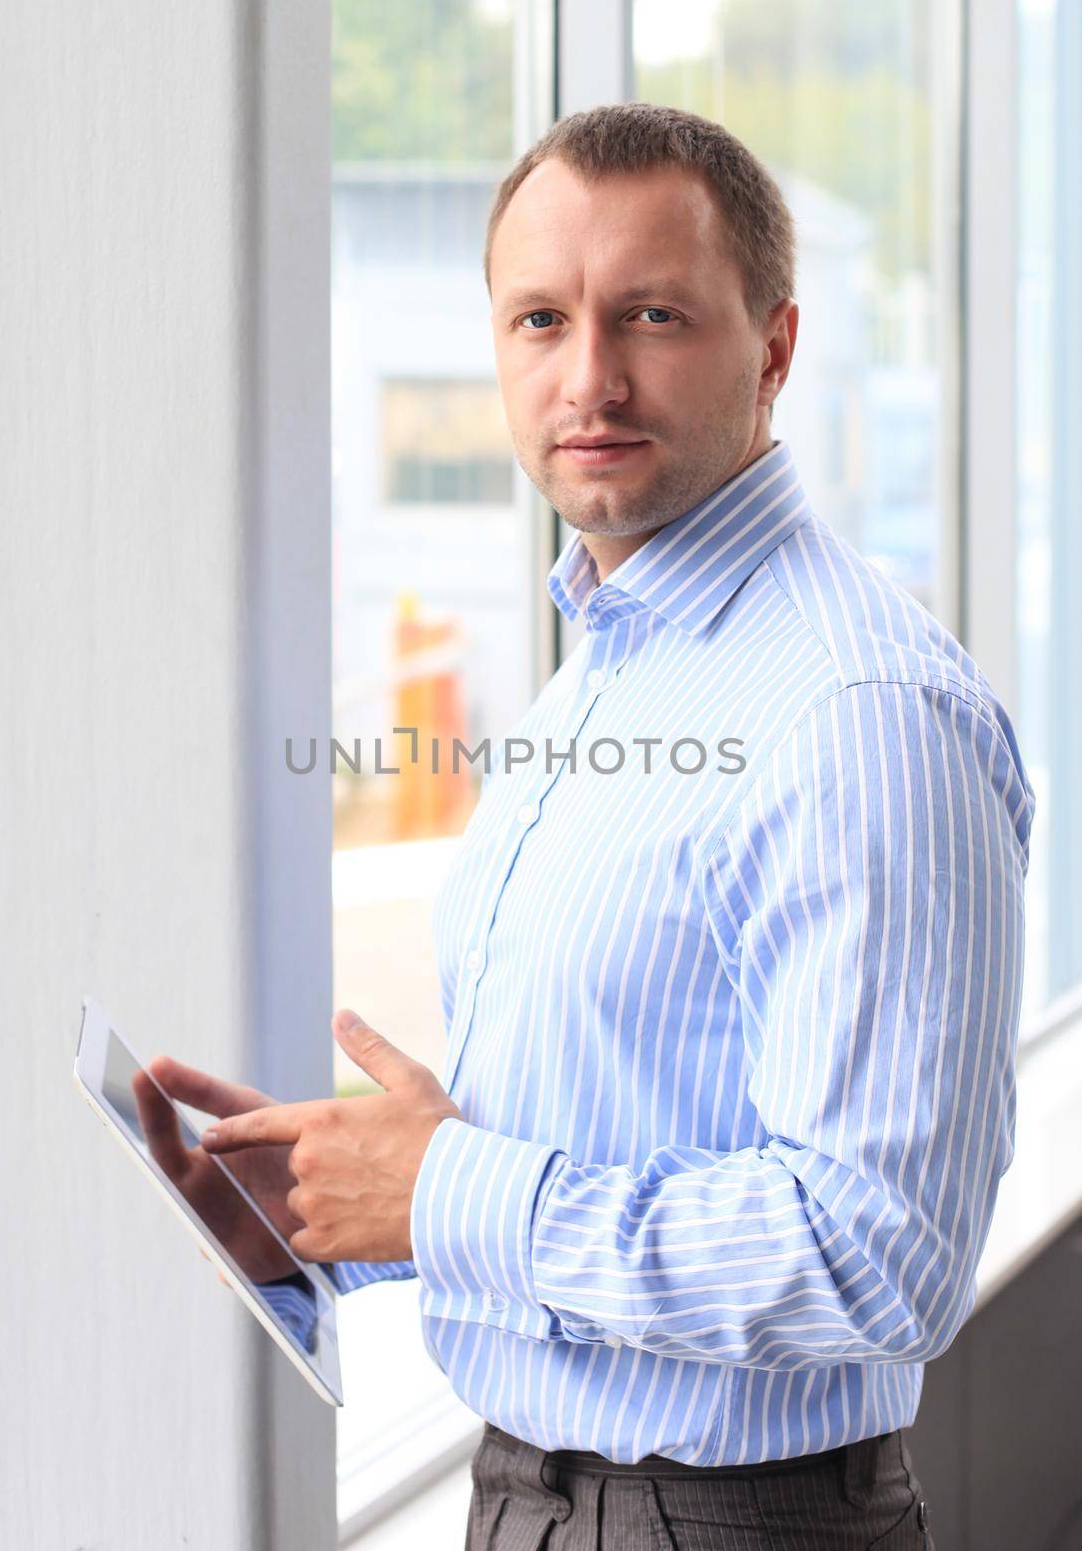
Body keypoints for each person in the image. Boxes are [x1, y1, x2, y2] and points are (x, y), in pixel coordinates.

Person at [151, 103, 1033, 1548]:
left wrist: (449, 1195)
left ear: (776, 351)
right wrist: (350, 1204)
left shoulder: (856, 711)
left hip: (729, 1524)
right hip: (531, 1494)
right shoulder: (603, 670)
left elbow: (884, 1258)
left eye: (653, 314)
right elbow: (627, 1113)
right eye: (542, 320)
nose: (591, 378)